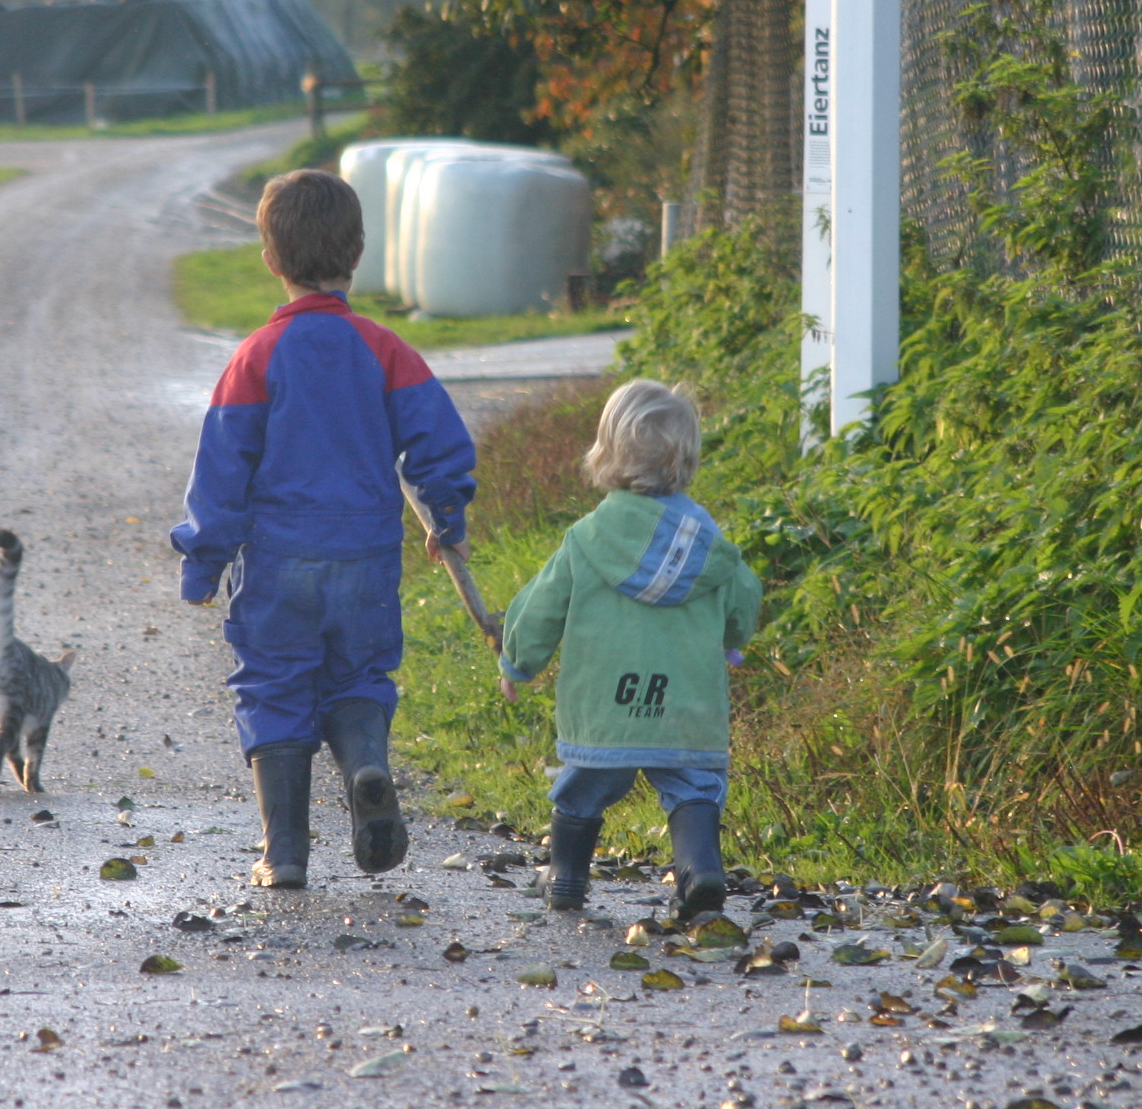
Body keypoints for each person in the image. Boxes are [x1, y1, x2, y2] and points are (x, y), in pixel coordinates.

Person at [172, 169, 476, 888]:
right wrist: (445, 514)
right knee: (358, 676)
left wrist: (202, 562)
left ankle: (284, 855)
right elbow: (438, 442)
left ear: (270, 258)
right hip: (366, 553)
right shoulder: (384, 349)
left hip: (278, 558)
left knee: (274, 684)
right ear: (359, 251)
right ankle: (366, 764)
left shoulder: (255, 358)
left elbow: (222, 468)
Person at [497, 379, 762, 920]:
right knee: (694, 789)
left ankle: (567, 877)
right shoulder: (709, 542)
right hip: (686, 708)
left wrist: (518, 662)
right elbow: (744, 598)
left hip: (605, 707)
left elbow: (541, 605)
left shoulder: (587, 537)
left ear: (606, 453)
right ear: (687, 458)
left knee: (581, 790)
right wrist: (733, 641)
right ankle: (699, 870)